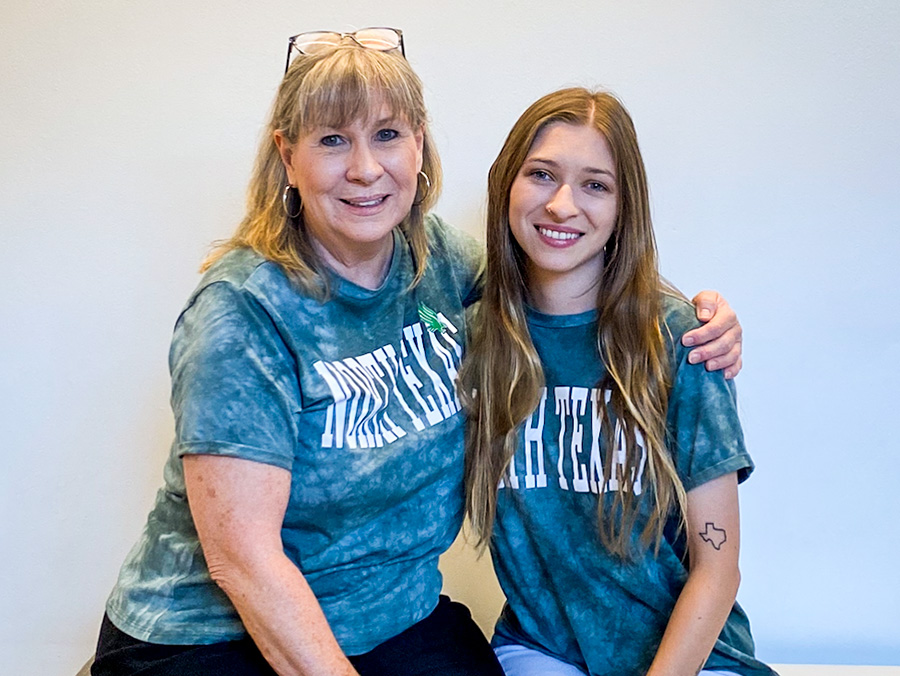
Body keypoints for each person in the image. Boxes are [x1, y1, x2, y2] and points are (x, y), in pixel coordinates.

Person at [91, 31, 743, 676]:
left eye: (386, 135)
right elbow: (244, 562)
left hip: (391, 618)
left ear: (419, 146)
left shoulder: (438, 262)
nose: (364, 169)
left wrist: (698, 318)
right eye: (332, 140)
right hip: (211, 634)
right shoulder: (242, 310)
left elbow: (555, 277)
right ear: (287, 157)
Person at [461, 87, 775, 676]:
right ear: (506, 184)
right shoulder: (469, 337)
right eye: (541, 175)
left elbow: (718, 568)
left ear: (624, 206)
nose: (562, 205)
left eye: (595, 185)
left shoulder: (682, 341)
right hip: (543, 649)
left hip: (692, 655)